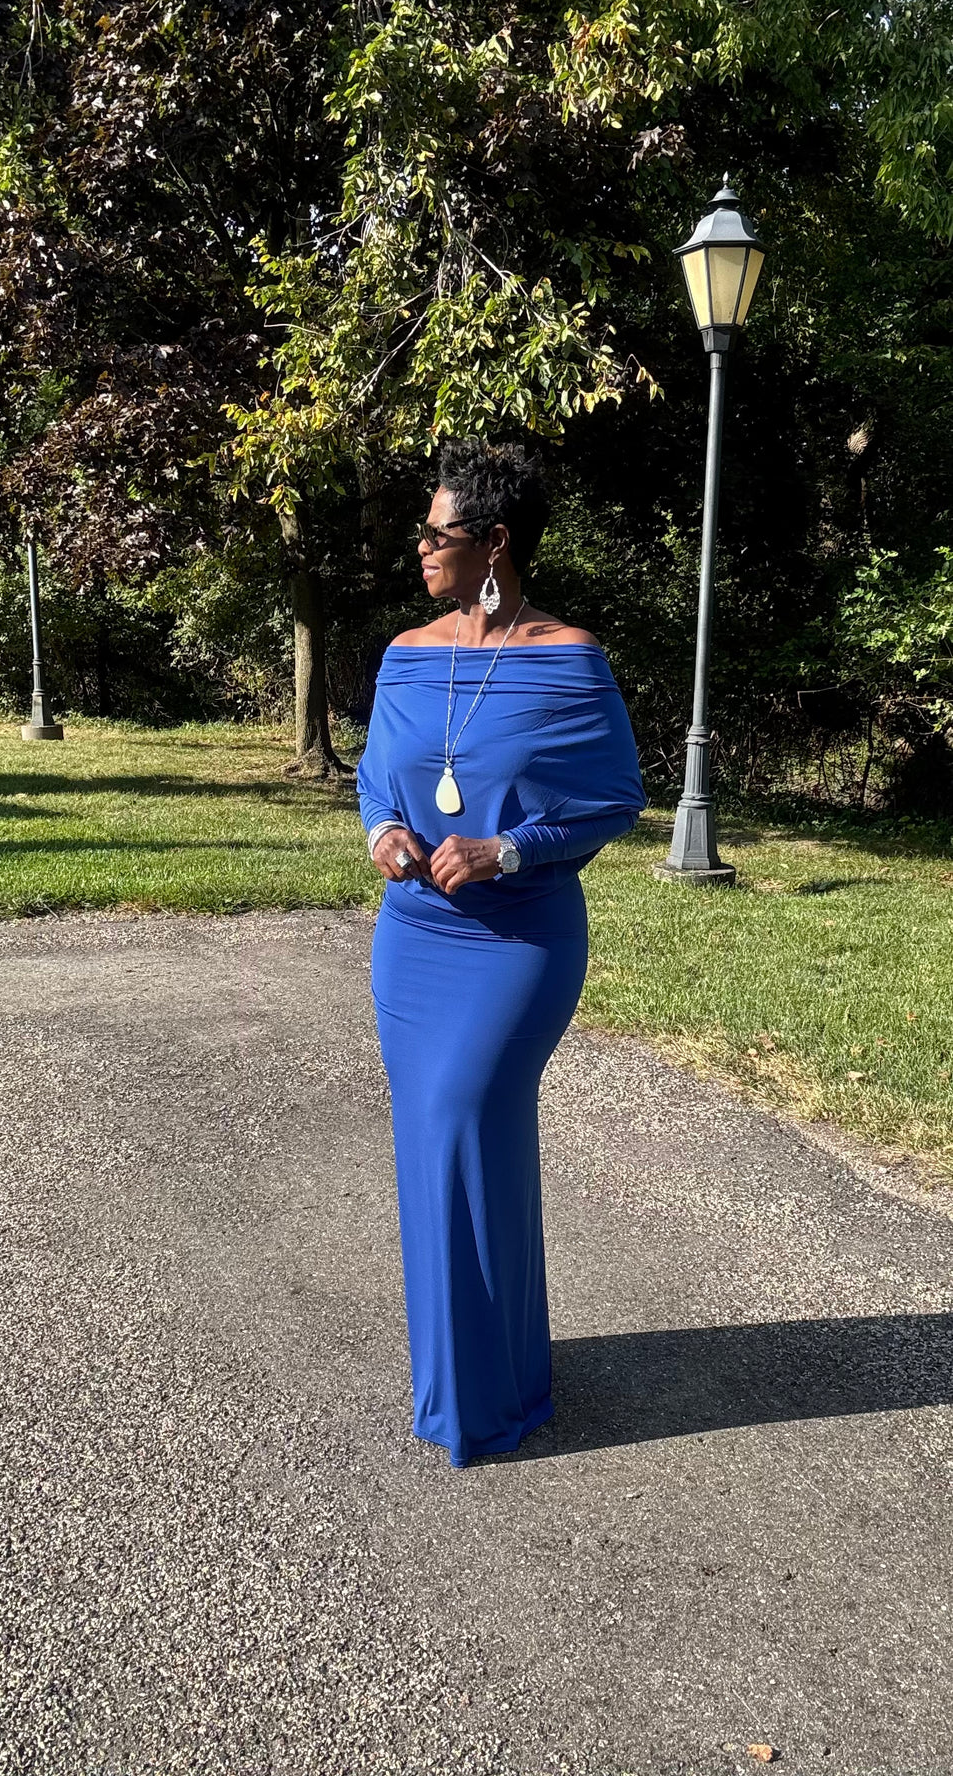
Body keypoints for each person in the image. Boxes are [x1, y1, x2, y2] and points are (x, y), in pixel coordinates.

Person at [356, 439, 647, 1469]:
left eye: (436, 533)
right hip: (414, 940)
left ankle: (487, 1394)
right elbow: (376, 779)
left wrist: (507, 848)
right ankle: (485, 1375)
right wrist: (384, 834)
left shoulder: (567, 659)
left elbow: (614, 799)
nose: (420, 548)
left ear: (494, 542)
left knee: (462, 1116)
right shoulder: (404, 653)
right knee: (438, 1145)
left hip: (518, 941)